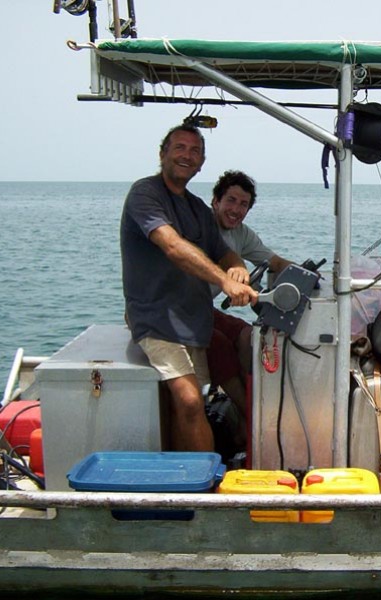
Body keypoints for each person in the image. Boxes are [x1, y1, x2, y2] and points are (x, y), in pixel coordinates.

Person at [120, 124, 258, 452]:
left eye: (195, 151)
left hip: (192, 318)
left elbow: (222, 250)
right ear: (163, 153)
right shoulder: (145, 194)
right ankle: (204, 487)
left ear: (201, 162)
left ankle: (201, 464)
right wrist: (223, 280)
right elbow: (172, 245)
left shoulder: (197, 208)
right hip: (155, 319)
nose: (187, 155)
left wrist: (236, 266)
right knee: (190, 400)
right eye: (180, 148)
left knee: (189, 401)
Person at [207, 170, 294, 418]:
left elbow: (274, 261)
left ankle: (256, 398)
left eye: (243, 204)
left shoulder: (241, 233)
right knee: (220, 345)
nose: (236, 209)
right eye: (231, 200)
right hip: (178, 310)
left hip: (203, 308)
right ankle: (250, 415)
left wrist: (310, 275)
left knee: (248, 335)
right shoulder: (201, 226)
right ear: (216, 201)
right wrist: (232, 276)